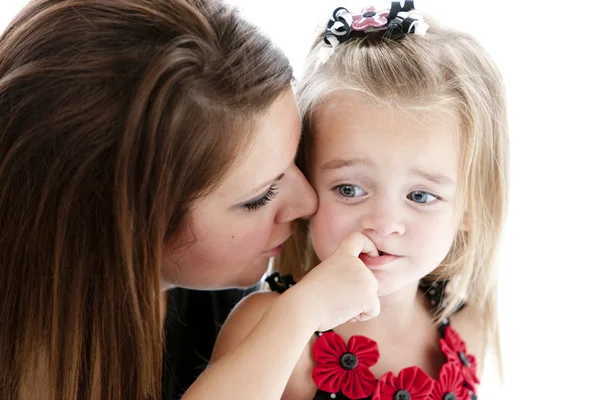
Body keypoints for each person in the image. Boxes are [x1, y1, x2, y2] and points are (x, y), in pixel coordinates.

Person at [0, 1, 382, 399]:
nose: (308, 203)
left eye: (296, 157)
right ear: (128, 227)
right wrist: (297, 317)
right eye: (260, 196)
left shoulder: (226, 298)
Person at [212, 2, 509, 399]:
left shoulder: (465, 329)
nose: (384, 223)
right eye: (349, 189)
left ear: (469, 208)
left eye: (420, 196)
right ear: (306, 181)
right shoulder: (274, 327)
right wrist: (301, 314)